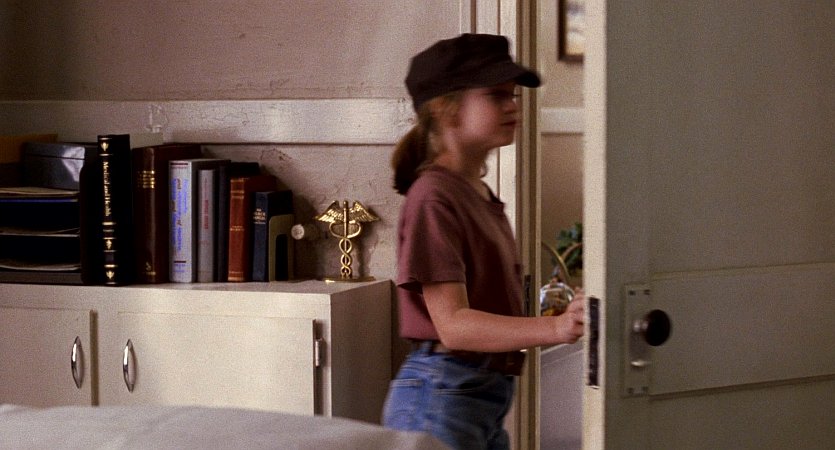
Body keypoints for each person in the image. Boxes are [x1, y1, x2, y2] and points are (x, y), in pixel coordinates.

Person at [382, 33, 586, 450]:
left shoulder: (473, 191)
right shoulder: (433, 197)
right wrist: (555, 327)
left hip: (478, 398)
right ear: (446, 109)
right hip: (441, 398)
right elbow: (454, 326)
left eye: (512, 95)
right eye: (496, 95)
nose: (513, 105)